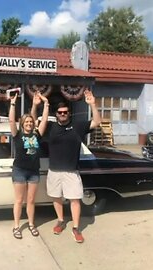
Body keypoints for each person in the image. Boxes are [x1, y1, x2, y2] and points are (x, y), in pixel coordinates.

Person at [32, 88, 101, 243]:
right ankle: (61, 220)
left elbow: (96, 122)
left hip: (71, 172)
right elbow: (33, 122)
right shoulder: (49, 127)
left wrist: (93, 104)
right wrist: (35, 105)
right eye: (60, 112)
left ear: (69, 113)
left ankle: (76, 228)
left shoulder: (78, 126)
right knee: (56, 197)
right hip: (54, 170)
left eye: (65, 112)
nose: (62, 114)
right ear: (56, 114)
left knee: (75, 199)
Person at [8, 91, 49, 239]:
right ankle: (16, 226)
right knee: (19, 200)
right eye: (26, 122)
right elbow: (11, 121)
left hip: (34, 171)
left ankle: (31, 224)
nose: (29, 123)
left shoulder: (37, 134)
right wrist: (13, 103)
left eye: (31, 122)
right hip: (19, 170)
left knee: (31, 200)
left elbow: (44, 120)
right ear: (22, 124)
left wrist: (46, 103)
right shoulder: (17, 135)